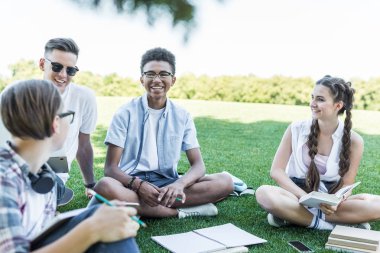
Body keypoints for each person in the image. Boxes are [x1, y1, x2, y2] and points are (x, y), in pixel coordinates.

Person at [0, 79, 140, 253]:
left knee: (98, 214)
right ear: (55, 124)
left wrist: (99, 215)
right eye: (68, 116)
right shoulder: (4, 180)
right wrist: (92, 229)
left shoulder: (43, 172)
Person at [92, 47, 233, 218]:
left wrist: (179, 185)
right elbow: (111, 169)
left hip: (168, 183)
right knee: (104, 186)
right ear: (141, 79)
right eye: (150, 74)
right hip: (131, 184)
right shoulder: (125, 113)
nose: (156, 80)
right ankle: (178, 212)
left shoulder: (183, 116)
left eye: (163, 74)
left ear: (173, 80)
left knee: (225, 182)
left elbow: (198, 165)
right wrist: (139, 185)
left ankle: (145, 207)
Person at [255, 75, 380, 231]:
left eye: (320, 99)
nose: (312, 104)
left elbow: (347, 183)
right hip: (296, 195)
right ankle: (325, 224)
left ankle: (295, 216)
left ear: (338, 105)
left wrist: (336, 201)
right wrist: (304, 198)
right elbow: (277, 171)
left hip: (330, 199)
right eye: (312, 97)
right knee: (264, 193)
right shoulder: (296, 128)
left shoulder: (355, 140)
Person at [39, 37, 97, 196]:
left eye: (70, 70)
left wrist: (91, 184)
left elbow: (83, 145)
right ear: (42, 64)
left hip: (54, 172)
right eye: (57, 67)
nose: (63, 75)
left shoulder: (84, 97)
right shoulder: (18, 94)